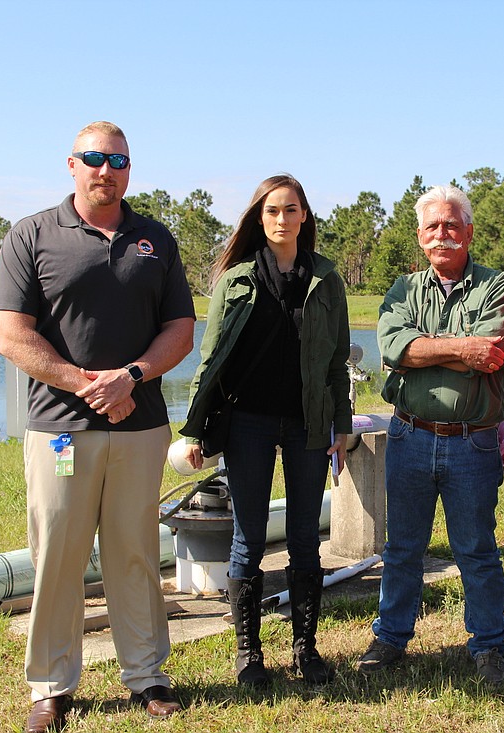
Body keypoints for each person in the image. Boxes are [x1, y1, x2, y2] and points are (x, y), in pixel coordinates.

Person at [0, 121, 194, 732]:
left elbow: (180, 331)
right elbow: (10, 334)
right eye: (95, 159)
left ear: (130, 168)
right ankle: (51, 685)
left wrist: (130, 376)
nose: (107, 170)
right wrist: (86, 384)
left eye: (119, 160)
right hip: (59, 426)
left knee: (134, 550)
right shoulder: (32, 235)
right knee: (59, 550)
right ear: (71, 165)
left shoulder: (155, 239)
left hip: (141, 424)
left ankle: (146, 675)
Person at [178, 174, 351, 688]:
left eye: (290, 210)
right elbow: (210, 360)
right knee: (248, 538)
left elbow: (337, 361)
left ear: (304, 217)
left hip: (307, 423)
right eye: (272, 211)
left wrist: (341, 423)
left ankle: (305, 649)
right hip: (246, 424)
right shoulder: (235, 280)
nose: (281, 219)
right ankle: (249, 653)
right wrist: (194, 428)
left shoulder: (325, 279)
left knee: (303, 538)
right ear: (260, 217)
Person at [355, 184, 504, 685]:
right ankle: (391, 637)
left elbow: (493, 353)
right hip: (410, 436)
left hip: (474, 441)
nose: (442, 234)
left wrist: (426, 349)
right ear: (421, 237)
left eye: (452, 224)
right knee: (402, 548)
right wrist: (460, 348)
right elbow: (393, 348)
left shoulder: (499, 285)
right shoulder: (401, 291)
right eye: (433, 226)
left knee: (476, 548)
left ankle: (489, 645)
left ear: (468, 231)